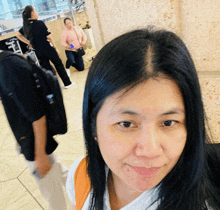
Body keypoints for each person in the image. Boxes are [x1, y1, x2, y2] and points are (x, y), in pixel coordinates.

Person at [66, 27, 220, 210]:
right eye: (126, 123)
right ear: (93, 125)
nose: (150, 151)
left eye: (168, 122)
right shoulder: (82, 175)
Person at [0, 51, 68, 210]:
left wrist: (40, 155)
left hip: (35, 140)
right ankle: (93, 189)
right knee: (57, 173)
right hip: (30, 137)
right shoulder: (7, 61)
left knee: (52, 192)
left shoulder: (8, 68)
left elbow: (37, 116)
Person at [16, 5, 75, 89]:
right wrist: (55, 48)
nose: (37, 13)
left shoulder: (26, 27)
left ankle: (54, 87)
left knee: (47, 70)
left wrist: (28, 42)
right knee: (58, 65)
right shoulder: (40, 23)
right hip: (48, 48)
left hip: (38, 52)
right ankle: (67, 83)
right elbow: (49, 37)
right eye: (35, 11)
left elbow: (18, 35)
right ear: (32, 13)